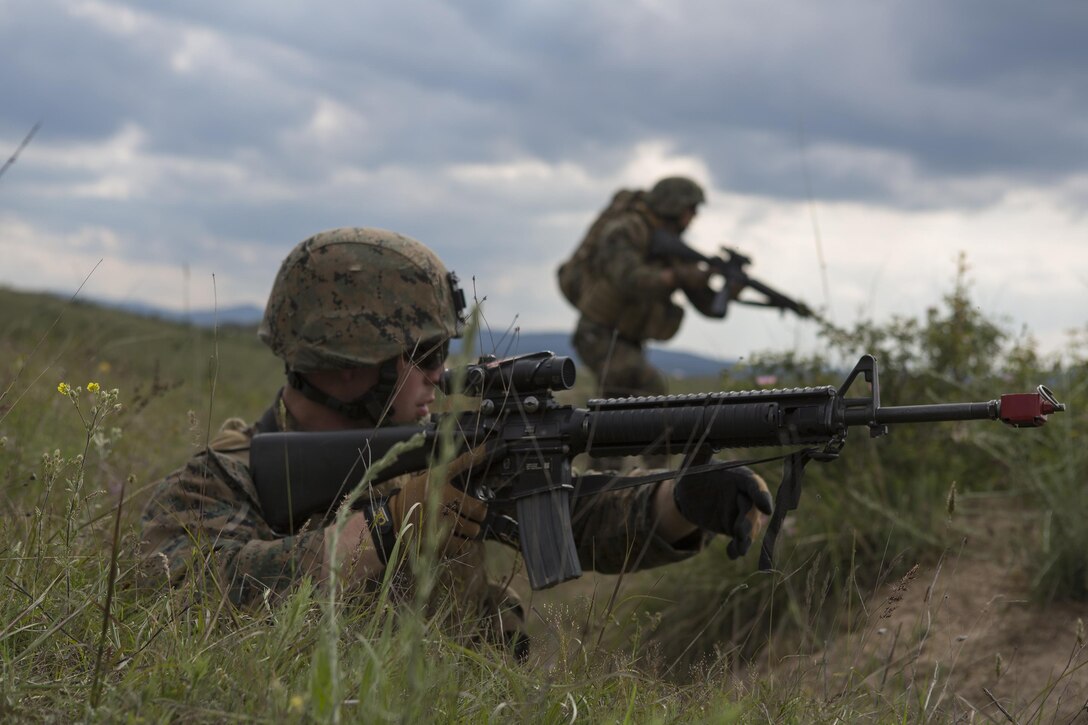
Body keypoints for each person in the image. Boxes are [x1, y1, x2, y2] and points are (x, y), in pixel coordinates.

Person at [140, 226, 771, 658]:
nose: (443, 374)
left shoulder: (441, 452)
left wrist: (680, 505)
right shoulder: (220, 482)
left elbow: (572, 519)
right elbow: (182, 598)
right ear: (347, 362)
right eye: (427, 354)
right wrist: (384, 530)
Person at [558, 176, 732, 399]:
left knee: (627, 406)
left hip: (629, 342)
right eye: (691, 208)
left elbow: (708, 306)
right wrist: (677, 277)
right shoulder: (626, 229)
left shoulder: (672, 247)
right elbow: (629, 279)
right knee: (645, 394)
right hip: (598, 334)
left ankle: (598, 433)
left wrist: (730, 289)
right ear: (673, 205)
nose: (694, 215)